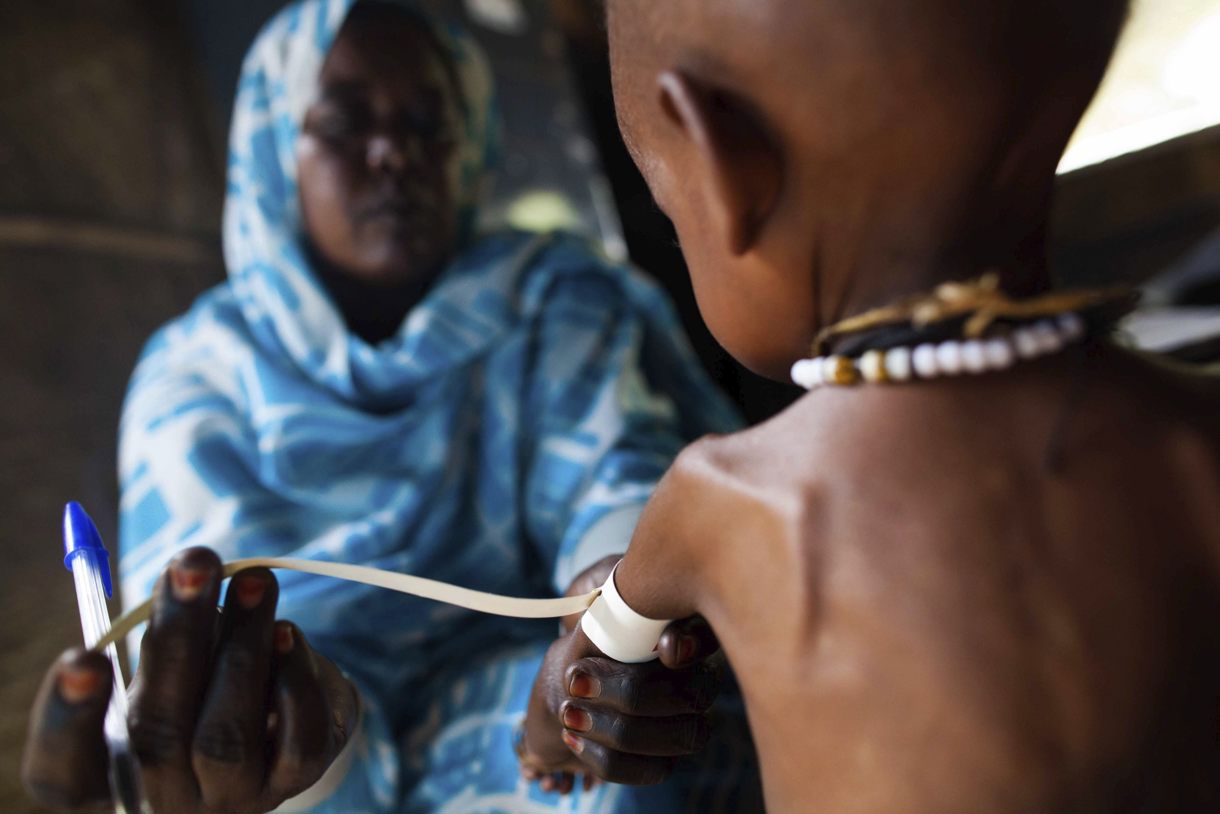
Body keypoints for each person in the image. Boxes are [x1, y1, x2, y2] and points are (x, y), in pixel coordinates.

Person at [21, 0, 762, 811]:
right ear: (275, 149)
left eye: (428, 123)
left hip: (521, 710)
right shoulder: (198, 374)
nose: (393, 154)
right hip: (319, 755)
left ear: (472, 143)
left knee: (622, 767)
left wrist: (605, 639)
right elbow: (214, 677)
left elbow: (617, 479)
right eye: (343, 123)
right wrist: (284, 750)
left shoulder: (555, 297)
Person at [520, 0, 1220, 810]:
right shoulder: (1195, 436)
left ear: (724, 167)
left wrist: (545, 737)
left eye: (676, 223)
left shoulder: (725, 498)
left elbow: (588, 666)